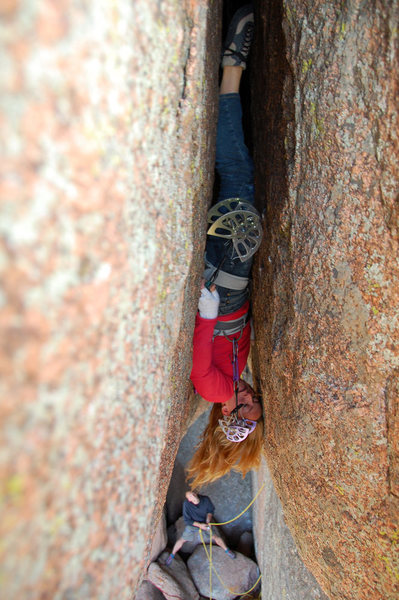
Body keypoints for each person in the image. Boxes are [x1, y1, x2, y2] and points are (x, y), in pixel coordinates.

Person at [188, 4, 264, 489]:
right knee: (236, 183)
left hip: (224, 283)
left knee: (237, 181)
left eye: (249, 407)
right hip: (230, 286)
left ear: (232, 411)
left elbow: (200, 352)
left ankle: (232, 70)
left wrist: (209, 310)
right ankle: (231, 74)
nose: (254, 398)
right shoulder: (231, 385)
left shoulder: (214, 388)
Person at [165, 491, 235, 566]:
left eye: (192, 493)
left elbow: (210, 511)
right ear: (189, 499)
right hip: (193, 525)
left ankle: (227, 550)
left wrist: (208, 520)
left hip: (204, 523)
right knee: (182, 540)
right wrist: (199, 525)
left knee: (215, 537)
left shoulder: (205, 499)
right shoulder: (186, 504)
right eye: (190, 496)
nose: (193, 495)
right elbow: (187, 520)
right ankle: (172, 555)